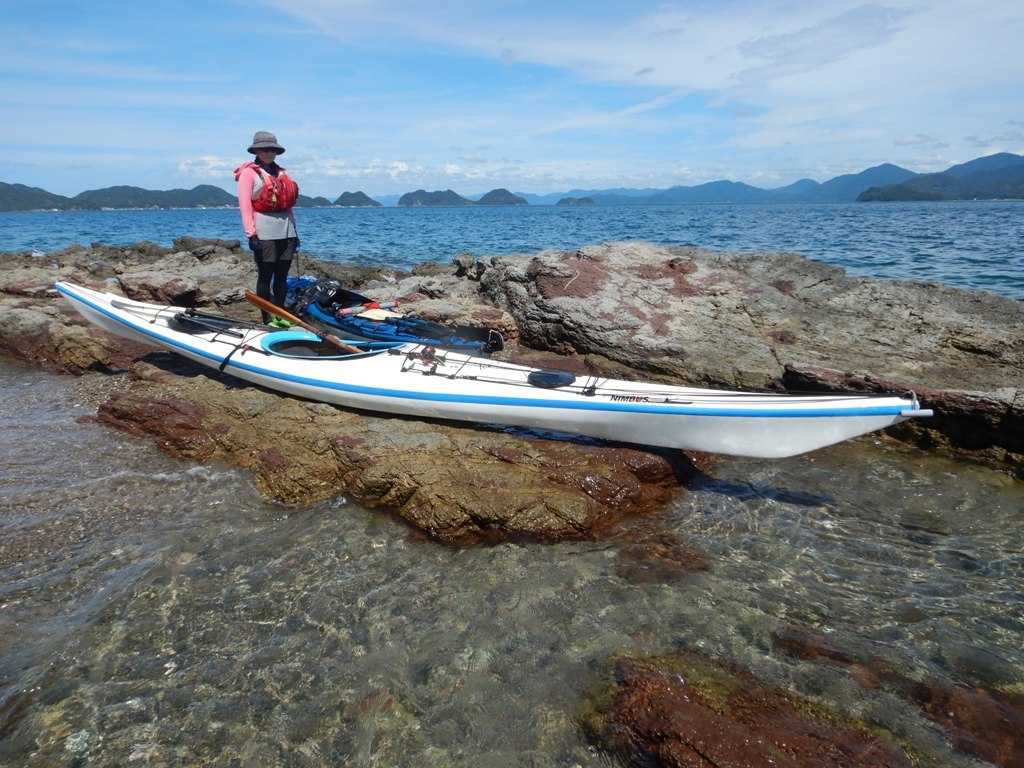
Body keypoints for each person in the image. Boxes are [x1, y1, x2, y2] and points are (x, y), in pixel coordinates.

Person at [234, 131, 300, 321]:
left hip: (287, 230)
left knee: (282, 276)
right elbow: (245, 206)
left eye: (272, 150)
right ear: (256, 151)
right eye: (264, 149)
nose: (268, 153)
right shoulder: (248, 173)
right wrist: (251, 234)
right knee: (265, 276)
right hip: (264, 232)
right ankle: (267, 318)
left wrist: (295, 232)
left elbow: (287, 206)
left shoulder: (282, 173)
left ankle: (281, 316)